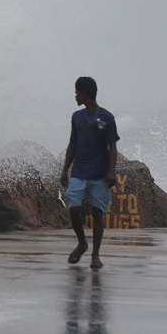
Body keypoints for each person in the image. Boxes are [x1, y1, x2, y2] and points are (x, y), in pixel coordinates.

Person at [59, 76, 119, 269]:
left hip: (100, 173)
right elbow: (73, 144)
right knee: (74, 208)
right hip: (79, 171)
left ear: (85, 94)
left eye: (77, 92)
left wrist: (111, 171)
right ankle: (82, 243)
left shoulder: (107, 117)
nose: (75, 96)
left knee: (97, 212)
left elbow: (112, 146)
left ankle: (95, 254)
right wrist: (65, 170)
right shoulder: (76, 117)